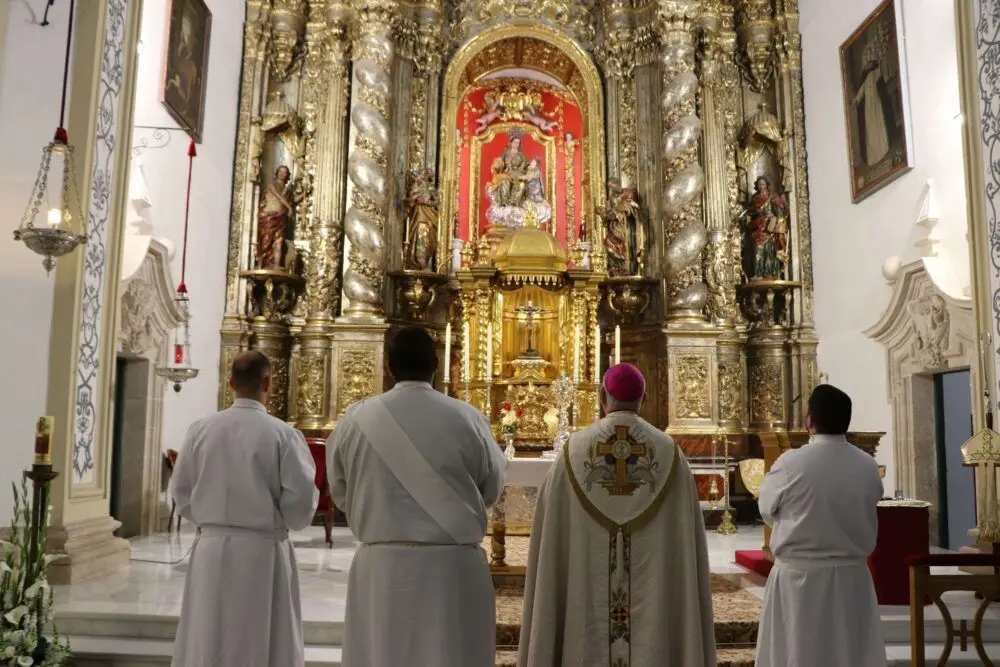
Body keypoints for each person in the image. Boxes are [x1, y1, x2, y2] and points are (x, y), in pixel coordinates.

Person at [328, 326, 507, 667]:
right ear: (436, 364)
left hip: (382, 569)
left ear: (388, 365)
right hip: (451, 571)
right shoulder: (467, 417)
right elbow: (492, 486)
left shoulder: (357, 419)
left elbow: (340, 489)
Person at [518, 363, 716, 667]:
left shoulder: (572, 453)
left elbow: (550, 534)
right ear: (643, 399)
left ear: (602, 397)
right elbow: (686, 537)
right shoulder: (670, 454)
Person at [170, 350, 319, 667]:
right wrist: (281, 521)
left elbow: (181, 491)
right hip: (262, 551)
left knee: (209, 633)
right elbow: (301, 500)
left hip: (211, 548)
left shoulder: (200, 430)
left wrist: (211, 522)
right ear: (268, 383)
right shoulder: (283, 434)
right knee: (259, 637)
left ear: (230, 383)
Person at [755, 384, 886, 667]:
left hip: (798, 580)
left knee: (797, 653)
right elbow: (872, 502)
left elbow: (766, 509)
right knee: (849, 653)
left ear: (809, 421)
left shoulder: (790, 463)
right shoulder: (867, 465)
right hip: (851, 579)